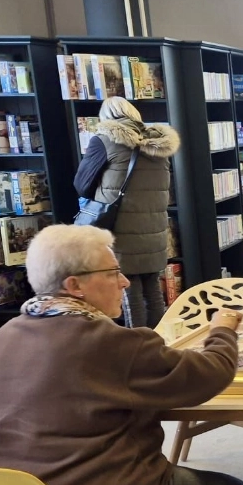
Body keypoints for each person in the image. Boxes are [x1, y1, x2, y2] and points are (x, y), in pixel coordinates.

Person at [0, 225, 243, 485]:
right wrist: (222, 329)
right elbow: (209, 374)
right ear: (74, 286)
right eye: (112, 273)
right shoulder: (110, 342)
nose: (125, 282)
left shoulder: (9, 332)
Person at [74, 96, 179, 328]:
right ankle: (158, 340)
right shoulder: (158, 145)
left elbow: (81, 184)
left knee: (129, 289)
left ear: (106, 117)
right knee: (152, 289)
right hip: (154, 228)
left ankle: (137, 343)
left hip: (121, 228)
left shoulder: (104, 141)